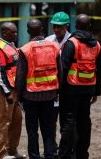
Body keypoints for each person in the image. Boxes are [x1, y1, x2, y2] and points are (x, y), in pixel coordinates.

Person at [16, 19, 62, 159]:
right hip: (49, 95)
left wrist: (19, 96)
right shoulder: (54, 47)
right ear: (42, 30)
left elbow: (20, 76)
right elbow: (60, 71)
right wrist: (57, 91)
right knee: (49, 129)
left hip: (30, 97)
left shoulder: (24, 49)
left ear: (28, 32)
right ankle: (50, 154)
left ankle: (34, 156)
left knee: (32, 130)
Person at [58, 14, 101, 159]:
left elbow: (63, 68)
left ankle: (65, 154)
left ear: (75, 26)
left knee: (68, 121)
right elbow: (98, 69)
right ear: (89, 26)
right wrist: (96, 92)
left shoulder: (72, 43)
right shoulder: (96, 44)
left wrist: (59, 89)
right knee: (84, 120)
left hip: (71, 87)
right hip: (89, 87)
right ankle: (82, 153)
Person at [0, 22, 25, 159]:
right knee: (3, 122)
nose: (16, 35)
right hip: (3, 90)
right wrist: (7, 92)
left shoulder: (11, 45)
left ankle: (12, 150)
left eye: (16, 32)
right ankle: (1, 154)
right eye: (13, 32)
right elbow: (0, 72)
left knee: (17, 119)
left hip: (13, 89)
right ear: (4, 33)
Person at [45, 11, 71, 151]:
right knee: (50, 121)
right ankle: (52, 148)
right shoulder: (48, 41)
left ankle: (65, 148)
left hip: (68, 88)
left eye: (59, 27)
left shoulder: (73, 41)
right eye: (54, 26)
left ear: (66, 26)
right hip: (52, 88)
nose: (56, 29)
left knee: (67, 122)